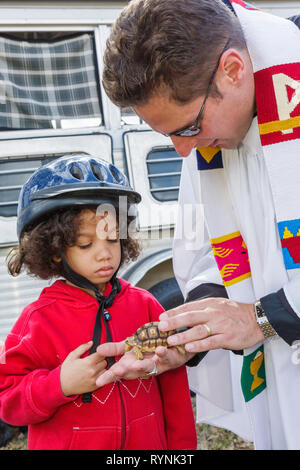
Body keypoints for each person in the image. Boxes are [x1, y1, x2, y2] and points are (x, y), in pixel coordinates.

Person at [94, 0, 300, 450]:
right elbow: (209, 246)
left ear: (232, 70)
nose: (184, 152)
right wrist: (194, 330)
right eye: (167, 135)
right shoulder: (210, 130)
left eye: (187, 127)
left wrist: (263, 317)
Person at [0, 153, 197, 450]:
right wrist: (59, 385)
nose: (104, 253)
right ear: (54, 249)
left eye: (113, 238)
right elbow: (7, 399)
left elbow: (174, 389)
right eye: (85, 244)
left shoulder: (146, 305)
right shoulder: (38, 319)